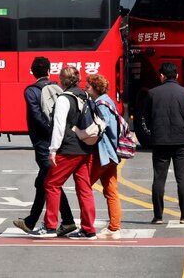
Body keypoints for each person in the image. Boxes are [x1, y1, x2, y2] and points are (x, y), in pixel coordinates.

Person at [13, 56, 75, 236]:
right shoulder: (57, 88)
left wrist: (49, 132)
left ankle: (68, 221)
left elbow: (35, 115)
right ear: (49, 71)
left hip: (43, 142)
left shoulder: (31, 91)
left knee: (51, 182)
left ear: (32, 72)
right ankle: (30, 221)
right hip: (57, 139)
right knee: (43, 182)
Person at [37, 65, 97, 239]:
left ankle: (50, 226)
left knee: (51, 184)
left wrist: (53, 150)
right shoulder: (85, 95)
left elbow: (59, 127)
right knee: (84, 188)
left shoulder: (64, 99)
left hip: (68, 148)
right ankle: (88, 228)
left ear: (62, 81)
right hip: (85, 147)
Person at [143, 61, 184, 224]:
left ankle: (158, 216)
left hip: (160, 141)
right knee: (182, 179)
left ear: (161, 75)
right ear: (177, 76)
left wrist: (154, 132)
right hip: (182, 141)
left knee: (159, 179)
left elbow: (147, 117)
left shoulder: (152, 94)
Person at [86, 73, 124, 239]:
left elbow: (102, 129)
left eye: (88, 87)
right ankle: (114, 227)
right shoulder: (109, 102)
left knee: (84, 186)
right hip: (112, 155)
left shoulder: (100, 105)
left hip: (103, 153)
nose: (86, 89)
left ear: (95, 88)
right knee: (111, 190)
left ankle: (86, 224)